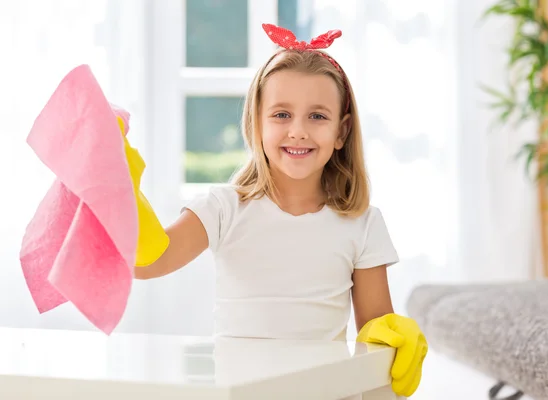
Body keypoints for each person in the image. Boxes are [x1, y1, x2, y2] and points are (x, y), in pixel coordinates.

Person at [134, 23, 427, 397]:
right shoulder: (223, 208)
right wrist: (118, 187)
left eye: (318, 116)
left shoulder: (363, 223)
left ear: (342, 130)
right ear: (256, 122)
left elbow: (374, 340)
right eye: (281, 115)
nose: (298, 131)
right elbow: (147, 260)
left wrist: (395, 339)